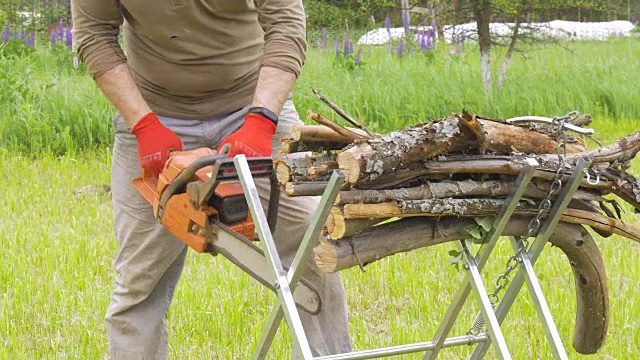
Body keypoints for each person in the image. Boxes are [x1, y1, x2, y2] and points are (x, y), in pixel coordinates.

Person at [71, 1, 352, 358]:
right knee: (139, 279)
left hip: (255, 103)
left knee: (310, 246)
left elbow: (286, 26)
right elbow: (94, 35)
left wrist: (262, 120)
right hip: (151, 111)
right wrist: (143, 125)